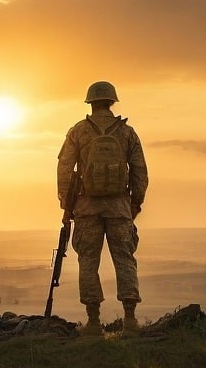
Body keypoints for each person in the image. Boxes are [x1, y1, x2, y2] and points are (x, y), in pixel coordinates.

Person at [57, 80, 148, 335]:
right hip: (119, 207)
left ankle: (94, 322)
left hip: (86, 208)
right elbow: (140, 170)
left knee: (88, 262)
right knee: (125, 260)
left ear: (90, 102)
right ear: (111, 101)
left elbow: (64, 168)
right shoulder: (127, 133)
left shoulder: (78, 131)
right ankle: (130, 320)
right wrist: (135, 203)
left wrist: (68, 203)